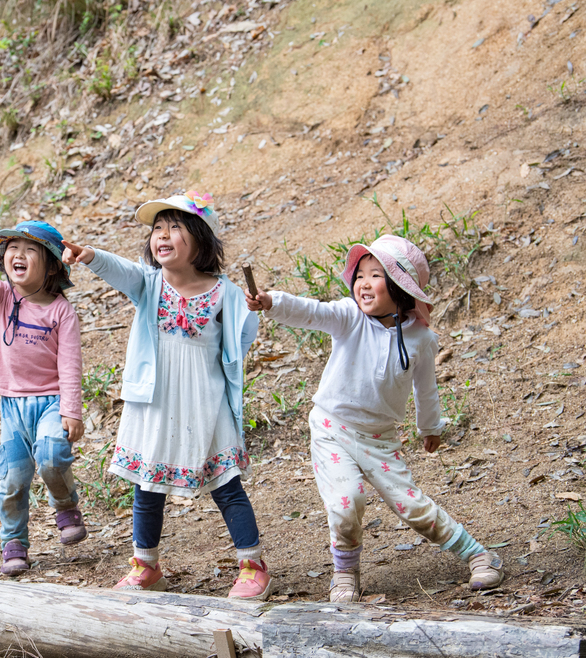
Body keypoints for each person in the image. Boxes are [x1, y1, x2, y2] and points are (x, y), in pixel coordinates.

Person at [244, 234, 503, 602]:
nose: (363, 283)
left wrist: (430, 427)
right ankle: (345, 572)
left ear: (400, 288)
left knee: (412, 504)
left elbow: (426, 390)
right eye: (360, 275)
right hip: (332, 427)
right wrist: (272, 302)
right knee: (346, 501)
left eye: (376, 275)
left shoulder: (421, 340)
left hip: (380, 437)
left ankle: (478, 554)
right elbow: (313, 311)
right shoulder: (349, 317)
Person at [62, 192, 271, 599]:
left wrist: (254, 310)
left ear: (200, 239)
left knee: (226, 482)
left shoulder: (224, 292)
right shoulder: (149, 283)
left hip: (205, 400)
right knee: (147, 483)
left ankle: (252, 564)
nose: (163, 235)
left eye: (175, 227)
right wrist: (89, 255)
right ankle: (146, 565)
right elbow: (120, 269)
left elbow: (243, 336)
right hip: (154, 400)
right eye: (158, 228)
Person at [0, 221, 87, 576]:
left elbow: (70, 366)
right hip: (12, 407)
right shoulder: (4, 297)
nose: (18, 255)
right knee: (13, 479)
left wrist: (72, 411)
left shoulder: (60, 312)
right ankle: (14, 543)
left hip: (51, 401)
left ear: (51, 265)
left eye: (30, 250)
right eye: (12, 249)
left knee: (52, 456)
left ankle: (65, 504)